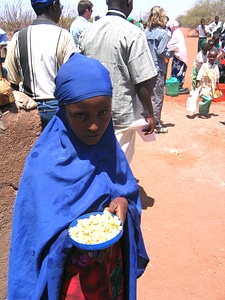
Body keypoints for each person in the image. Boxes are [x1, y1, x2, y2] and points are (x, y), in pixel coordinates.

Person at [7, 53, 149, 299]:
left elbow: (126, 194)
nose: (94, 126)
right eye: (80, 115)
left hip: (109, 273)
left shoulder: (110, 152)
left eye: (103, 113)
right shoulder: (44, 163)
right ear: (64, 111)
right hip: (67, 279)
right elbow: (31, 236)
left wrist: (124, 203)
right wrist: (69, 237)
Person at [79, 0, 157, 163]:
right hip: (121, 115)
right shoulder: (133, 33)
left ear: (107, 2)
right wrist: (149, 113)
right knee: (118, 165)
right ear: (129, 2)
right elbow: (142, 80)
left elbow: (79, 70)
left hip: (92, 113)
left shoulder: (89, 31)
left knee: (96, 162)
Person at [4, 0, 76, 130]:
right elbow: (72, 77)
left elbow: (12, 80)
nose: (61, 10)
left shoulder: (18, 37)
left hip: (29, 109)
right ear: (54, 5)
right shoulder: (64, 35)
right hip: (57, 107)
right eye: (60, 6)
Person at [145, 6, 172, 134]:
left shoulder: (145, 32)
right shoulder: (163, 33)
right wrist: (170, 53)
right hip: (158, 69)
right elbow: (161, 51)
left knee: (145, 95)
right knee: (157, 97)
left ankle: (144, 121)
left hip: (145, 68)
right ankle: (155, 124)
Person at [195, 50, 220, 117]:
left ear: (216, 58)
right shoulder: (204, 66)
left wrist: (218, 86)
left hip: (211, 87)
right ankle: (201, 106)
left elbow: (217, 77)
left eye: (214, 57)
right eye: (210, 56)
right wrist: (196, 83)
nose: (212, 58)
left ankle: (205, 112)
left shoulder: (216, 67)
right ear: (208, 57)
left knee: (210, 100)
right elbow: (200, 74)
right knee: (207, 99)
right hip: (204, 86)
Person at [167, 19, 188, 93]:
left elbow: (172, 44)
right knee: (175, 70)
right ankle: (175, 85)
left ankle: (178, 86)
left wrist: (166, 47)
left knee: (179, 70)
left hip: (180, 55)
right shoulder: (176, 32)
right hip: (177, 55)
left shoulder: (176, 33)